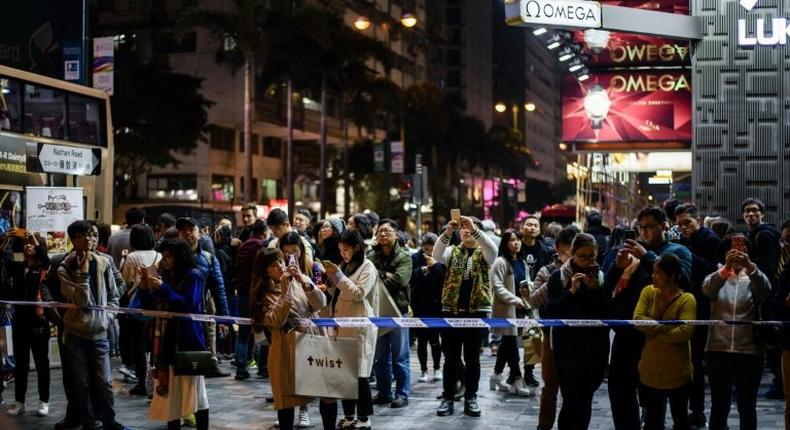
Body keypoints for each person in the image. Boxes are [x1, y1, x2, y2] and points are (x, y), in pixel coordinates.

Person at [604, 205, 692, 430]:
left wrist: (647, 258)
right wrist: (618, 266)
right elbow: (607, 285)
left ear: (663, 226)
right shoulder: (632, 251)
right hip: (625, 332)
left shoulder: (677, 251)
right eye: (640, 227)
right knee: (620, 389)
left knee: (655, 397)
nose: (643, 232)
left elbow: (685, 284)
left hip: (655, 335)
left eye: (648, 227)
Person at [57, 220, 128, 430]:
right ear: (73, 240)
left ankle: (110, 420)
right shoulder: (65, 266)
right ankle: (89, 421)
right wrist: (84, 272)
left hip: (99, 332)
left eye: (93, 235)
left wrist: (108, 317)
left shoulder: (105, 261)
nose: (90, 239)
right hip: (75, 333)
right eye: (84, 236)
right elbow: (83, 301)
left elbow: (116, 294)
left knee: (105, 381)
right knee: (81, 382)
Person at [137, 239, 211, 430]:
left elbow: (187, 305)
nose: (166, 260)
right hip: (167, 341)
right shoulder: (166, 276)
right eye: (164, 256)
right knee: (171, 394)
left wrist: (162, 288)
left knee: (195, 394)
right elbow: (151, 306)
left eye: (169, 256)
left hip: (189, 341)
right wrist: (145, 288)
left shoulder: (194, 276)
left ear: (180, 256)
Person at [250, 247, 327, 430]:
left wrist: (305, 282)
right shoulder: (264, 293)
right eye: (273, 265)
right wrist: (285, 293)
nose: (280, 266)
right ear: (264, 270)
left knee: (327, 395)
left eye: (281, 261)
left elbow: (320, 303)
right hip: (286, 350)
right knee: (287, 400)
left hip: (312, 344)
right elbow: (275, 320)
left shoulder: (297, 281)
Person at [432, 215, 498, 417]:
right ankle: (448, 397)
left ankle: (471, 397)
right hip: (450, 312)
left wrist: (475, 229)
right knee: (450, 358)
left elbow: (493, 250)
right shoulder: (452, 251)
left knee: (472, 358)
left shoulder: (485, 253)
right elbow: (436, 254)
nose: (466, 230)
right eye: (463, 228)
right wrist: (447, 232)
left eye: (470, 227)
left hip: (476, 313)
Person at [704, 234, 770, 430]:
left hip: (750, 351)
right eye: (732, 250)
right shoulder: (716, 275)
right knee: (719, 406)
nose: (738, 254)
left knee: (747, 406)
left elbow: (765, 290)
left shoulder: (754, 276)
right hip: (718, 349)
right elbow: (708, 290)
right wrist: (726, 268)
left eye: (743, 250)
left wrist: (749, 266)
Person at [545, 233, 610, 430]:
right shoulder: (559, 276)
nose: (588, 261)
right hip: (567, 349)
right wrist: (571, 292)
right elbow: (551, 312)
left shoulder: (601, 278)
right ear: (572, 254)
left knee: (586, 397)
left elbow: (608, 313)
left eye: (592, 256)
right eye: (583, 256)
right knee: (571, 398)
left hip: (594, 349)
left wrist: (595, 290)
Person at [633, 254, 696, 430]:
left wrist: (653, 331)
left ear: (673, 276)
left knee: (681, 419)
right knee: (652, 420)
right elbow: (638, 319)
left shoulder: (687, 299)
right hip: (650, 370)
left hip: (678, 371)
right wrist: (666, 327)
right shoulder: (648, 292)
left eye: (658, 273)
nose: (653, 276)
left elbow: (685, 332)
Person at [324, 230, 379, 429]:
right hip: (341, 326)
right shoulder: (344, 266)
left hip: (359, 327)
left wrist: (338, 276)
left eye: (346, 250)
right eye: (340, 250)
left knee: (360, 374)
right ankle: (348, 415)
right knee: (344, 373)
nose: (343, 254)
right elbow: (338, 292)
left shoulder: (368, 267)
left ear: (356, 248)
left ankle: (364, 418)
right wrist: (330, 283)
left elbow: (358, 293)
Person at [524, 226, 577, 430]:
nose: (568, 257)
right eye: (564, 253)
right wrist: (558, 278)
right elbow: (533, 300)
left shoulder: (586, 269)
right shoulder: (547, 271)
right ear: (557, 249)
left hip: (577, 338)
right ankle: (544, 425)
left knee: (573, 388)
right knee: (550, 386)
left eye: (572, 253)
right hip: (551, 336)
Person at [675, 203, 721, 427]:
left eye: (687, 223)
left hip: (702, 307)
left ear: (698, 221)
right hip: (682, 306)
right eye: (680, 224)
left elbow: (714, 271)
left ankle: (697, 409)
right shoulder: (681, 241)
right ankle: (683, 409)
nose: (683, 228)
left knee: (696, 360)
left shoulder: (710, 240)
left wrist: (686, 255)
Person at [176, 217, 230, 377]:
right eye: (183, 230)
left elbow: (219, 288)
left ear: (200, 233)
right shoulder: (172, 256)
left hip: (204, 303)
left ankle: (211, 363)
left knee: (209, 332)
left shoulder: (208, 258)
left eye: (191, 229)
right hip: (179, 305)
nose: (187, 233)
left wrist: (224, 318)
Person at [5, 232, 52, 418]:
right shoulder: (19, 267)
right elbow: (4, 262)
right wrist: (6, 243)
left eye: (31, 244)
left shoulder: (44, 268)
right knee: (21, 364)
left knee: (42, 363)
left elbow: (46, 260)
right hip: (20, 322)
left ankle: (44, 401)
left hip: (38, 321)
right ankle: (20, 401)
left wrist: (37, 244)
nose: (27, 246)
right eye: (25, 243)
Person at [367, 218, 412, 408]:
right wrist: (386, 275)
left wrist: (380, 275)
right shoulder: (371, 255)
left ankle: (402, 393)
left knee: (400, 356)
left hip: (398, 311)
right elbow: (367, 278)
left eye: (387, 231)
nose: (383, 235)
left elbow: (400, 280)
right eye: (380, 232)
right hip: (377, 311)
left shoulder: (404, 257)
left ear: (396, 234)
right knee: (380, 357)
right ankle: (384, 392)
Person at [741, 198, 784, 399]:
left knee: (772, 341)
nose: (751, 214)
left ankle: (781, 383)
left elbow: (768, 267)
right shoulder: (755, 234)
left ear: (762, 214)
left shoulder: (764, 235)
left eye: (754, 211)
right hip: (766, 292)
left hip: (768, 293)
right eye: (747, 211)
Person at [119, 224, 161, 396]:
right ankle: (154, 381)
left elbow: (126, 282)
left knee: (138, 344)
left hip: (137, 306)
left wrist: (122, 262)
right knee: (153, 345)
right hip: (155, 304)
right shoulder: (158, 255)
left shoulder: (132, 257)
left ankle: (142, 383)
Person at [489, 229, 531, 397]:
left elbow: (526, 283)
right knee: (511, 343)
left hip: (520, 310)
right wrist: (515, 300)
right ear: (505, 243)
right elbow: (497, 287)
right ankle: (517, 379)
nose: (517, 243)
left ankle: (496, 375)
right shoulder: (500, 262)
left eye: (519, 239)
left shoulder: (522, 262)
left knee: (507, 344)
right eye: (513, 240)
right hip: (506, 310)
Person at [233, 219, 269, 380]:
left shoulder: (242, 246)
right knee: (263, 330)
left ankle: (240, 368)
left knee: (243, 333)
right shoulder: (263, 246)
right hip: (258, 293)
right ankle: (263, 367)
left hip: (241, 292)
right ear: (264, 231)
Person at [518, 215, 552, 386]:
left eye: (535, 225)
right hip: (516, 298)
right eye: (528, 224)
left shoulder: (544, 250)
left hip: (537, 298)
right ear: (522, 227)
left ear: (539, 229)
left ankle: (529, 372)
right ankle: (511, 372)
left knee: (533, 336)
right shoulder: (516, 247)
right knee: (510, 339)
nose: (532, 228)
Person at [410, 233, 445, 383]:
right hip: (419, 304)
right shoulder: (415, 258)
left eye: (431, 249)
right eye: (426, 249)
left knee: (435, 340)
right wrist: (424, 269)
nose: (429, 252)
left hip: (436, 305)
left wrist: (434, 267)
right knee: (422, 341)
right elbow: (411, 277)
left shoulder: (440, 257)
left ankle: (437, 368)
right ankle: (424, 370)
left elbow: (444, 276)